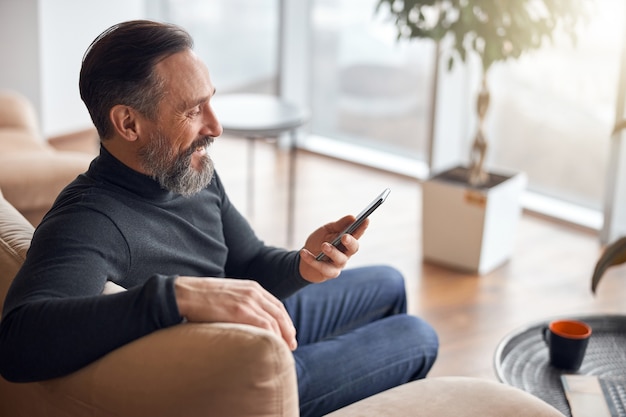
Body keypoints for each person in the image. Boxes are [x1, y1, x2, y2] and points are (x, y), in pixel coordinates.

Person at [0, 20, 438, 417]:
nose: (216, 126)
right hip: (231, 378)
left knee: (389, 282)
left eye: (210, 102)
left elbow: (247, 263)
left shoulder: (187, 172)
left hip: (245, 328)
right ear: (128, 123)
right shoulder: (90, 220)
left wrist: (302, 263)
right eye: (192, 111)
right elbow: (19, 345)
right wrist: (176, 296)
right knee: (417, 334)